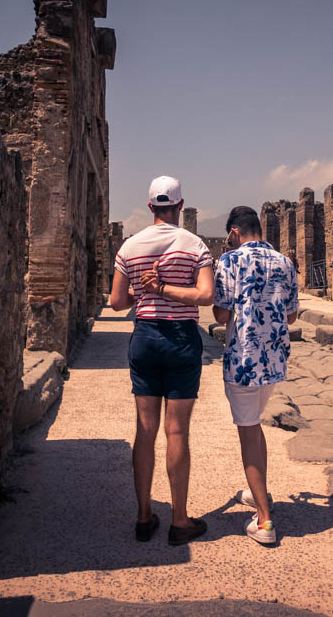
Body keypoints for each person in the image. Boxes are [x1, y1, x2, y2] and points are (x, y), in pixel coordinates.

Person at [109, 176, 215, 545]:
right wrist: (166, 288)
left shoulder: (131, 247)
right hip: (182, 340)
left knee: (145, 429)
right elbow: (205, 296)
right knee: (177, 431)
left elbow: (117, 303)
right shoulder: (194, 244)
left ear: (151, 207)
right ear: (180, 207)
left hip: (145, 338)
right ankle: (180, 520)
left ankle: (143, 517)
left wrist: (145, 290)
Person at [211, 206, 298, 545]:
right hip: (275, 360)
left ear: (234, 232)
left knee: (247, 434)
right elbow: (290, 318)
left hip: (244, 361)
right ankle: (256, 492)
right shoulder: (285, 262)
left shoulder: (230, 262)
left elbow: (219, 314)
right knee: (255, 424)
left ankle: (264, 521)